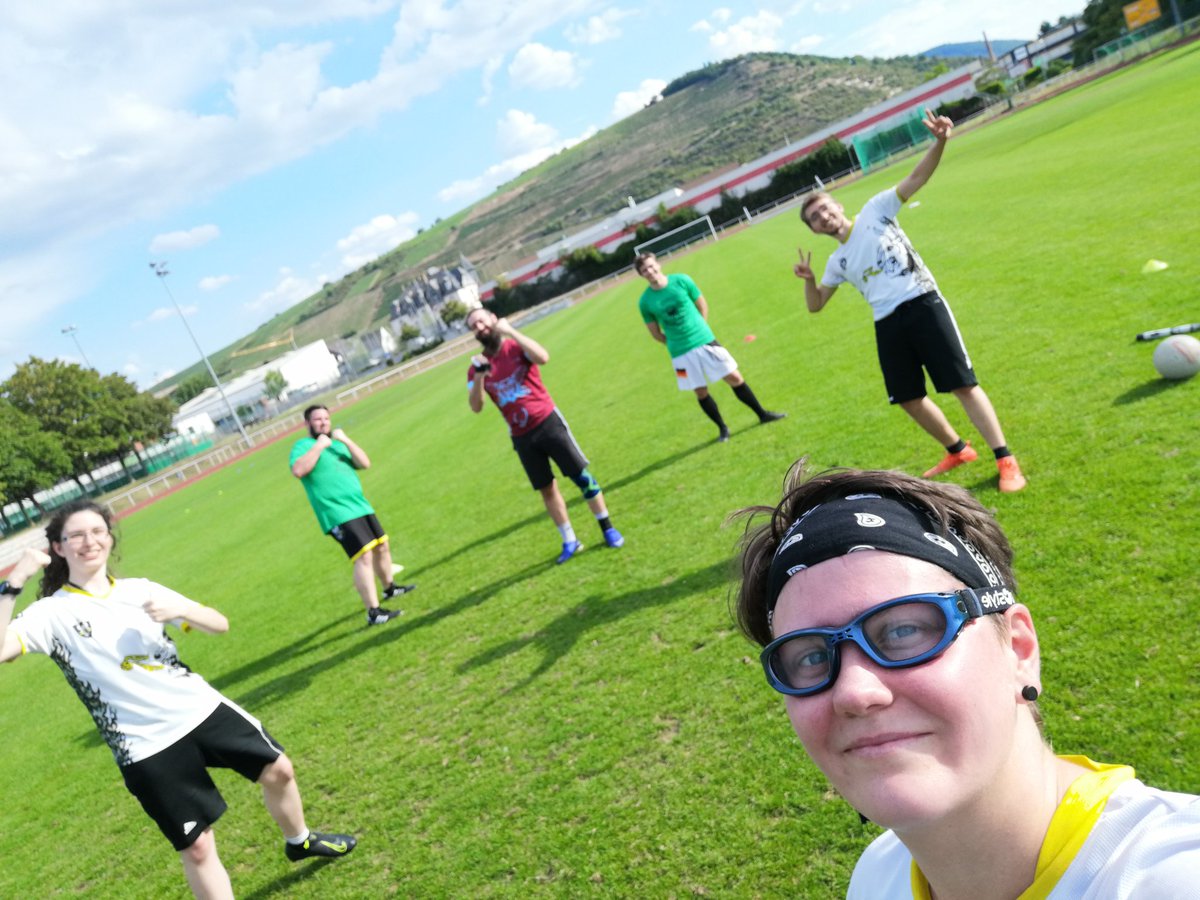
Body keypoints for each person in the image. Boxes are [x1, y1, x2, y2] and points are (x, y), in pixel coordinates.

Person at [733, 462, 1199, 898]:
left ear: (1018, 648)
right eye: (811, 656)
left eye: (904, 630)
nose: (854, 691)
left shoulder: (1172, 876)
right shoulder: (877, 877)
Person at [0, 500, 357, 900]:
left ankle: (301, 841)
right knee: (199, 846)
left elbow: (219, 625)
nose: (90, 542)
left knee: (280, 771)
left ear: (109, 537)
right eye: (77, 535)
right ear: (59, 548)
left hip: (199, 710)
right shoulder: (50, 614)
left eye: (98, 531)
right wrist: (13, 584)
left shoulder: (141, 590)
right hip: (143, 742)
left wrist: (184, 608)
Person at [792, 110, 1026, 492]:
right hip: (887, 323)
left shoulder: (876, 210)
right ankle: (957, 449)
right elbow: (816, 304)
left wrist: (940, 141)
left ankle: (1006, 460)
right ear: (815, 230)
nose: (824, 217)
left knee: (962, 385)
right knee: (908, 398)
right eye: (816, 219)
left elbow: (916, 178)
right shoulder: (837, 262)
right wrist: (809, 280)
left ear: (838, 206)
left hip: (922, 302)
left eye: (825, 209)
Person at [465, 307, 623, 564]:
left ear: (494, 319)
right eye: (474, 326)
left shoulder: (515, 347)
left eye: (482, 321)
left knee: (581, 477)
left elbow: (543, 357)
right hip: (521, 436)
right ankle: (570, 540)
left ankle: (607, 528)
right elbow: (476, 406)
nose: (480, 327)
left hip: (548, 423)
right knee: (546, 489)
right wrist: (481, 376)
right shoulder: (475, 368)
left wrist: (511, 331)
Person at [634, 252, 785, 442]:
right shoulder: (645, 301)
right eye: (644, 270)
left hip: (705, 341)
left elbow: (702, 304)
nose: (650, 271)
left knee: (735, 376)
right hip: (679, 354)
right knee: (699, 391)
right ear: (641, 275)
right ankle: (723, 429)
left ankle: (762, 414)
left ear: (658, 264)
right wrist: (673, 342)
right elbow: (655, 333)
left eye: (651, 266)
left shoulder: (681, 280)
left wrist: (701, 328)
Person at [290, 404, 414, 626]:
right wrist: (319, 446)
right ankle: (373, 612)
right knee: (363, 556)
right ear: (307, 424)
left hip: (360, 506)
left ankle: (389, 588)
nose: (323, 423)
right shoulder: (304, 446)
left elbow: (364, 463)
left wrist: (345, 440)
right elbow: (298, 470)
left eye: (326, 418)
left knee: (382, 546)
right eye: (318, 419)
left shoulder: (337, 445)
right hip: (337, 512)